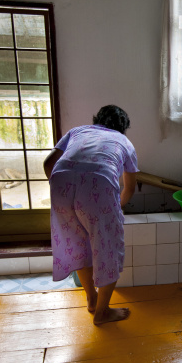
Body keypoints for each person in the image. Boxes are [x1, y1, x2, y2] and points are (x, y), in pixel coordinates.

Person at [43, 105, 138, 325]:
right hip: (98, 186)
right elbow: (130, 188)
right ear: (123, 128)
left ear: (97, 120)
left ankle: (92, 299)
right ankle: (102, 313)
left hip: (61, 182)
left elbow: (48, 164)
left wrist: (64, 189)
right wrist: (114, 208)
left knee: (78, 244)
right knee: (109, 250)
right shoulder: (124, 142)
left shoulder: (78, 131)